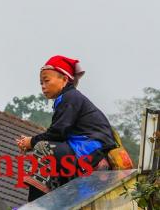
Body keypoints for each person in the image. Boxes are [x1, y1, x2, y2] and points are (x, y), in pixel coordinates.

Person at [15, 55, 116, 201]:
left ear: (64, 79)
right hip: (83, 149)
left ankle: (36, 203)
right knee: (49, 152)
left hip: (90, 151)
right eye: (41, 83)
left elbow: (58, 133)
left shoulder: (70, 97)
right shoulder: (67, 98)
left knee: (43, 147)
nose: (43, 86)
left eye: (46, 80)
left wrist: (31, 142)